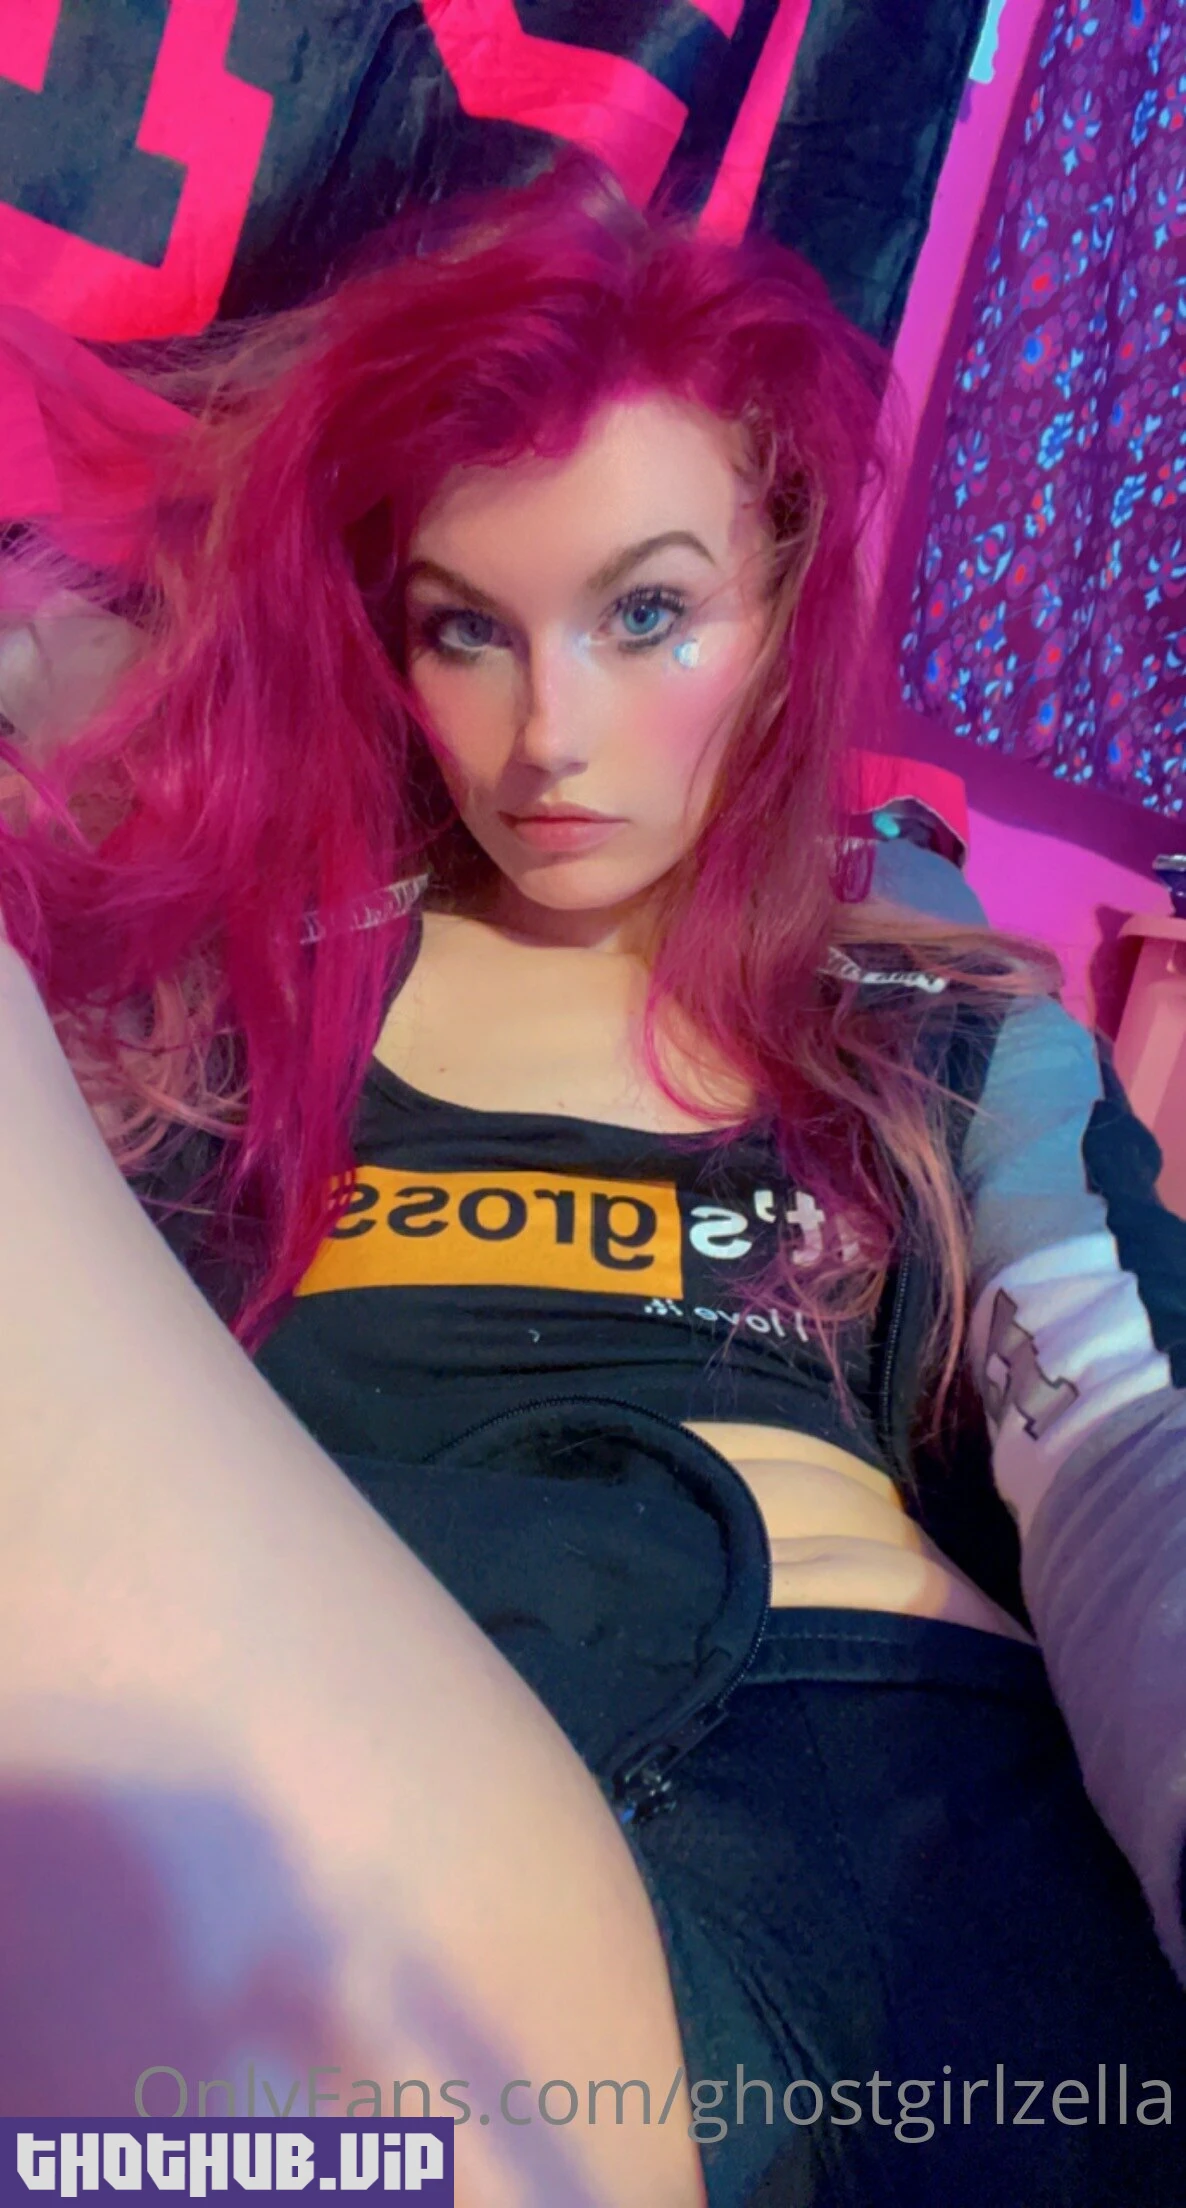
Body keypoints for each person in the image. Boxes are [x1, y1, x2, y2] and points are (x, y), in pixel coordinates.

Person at [2, 161, 1186, 2206]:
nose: (547, 736)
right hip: (330, 1781)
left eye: (645, 615)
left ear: (777, 600)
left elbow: (1118, 1433)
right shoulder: (241, 989)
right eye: (466, 630)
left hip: (868, 1862)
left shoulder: (921, 1002)